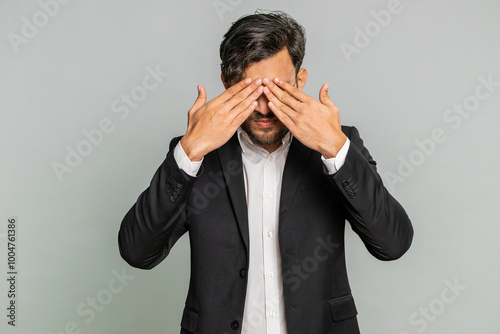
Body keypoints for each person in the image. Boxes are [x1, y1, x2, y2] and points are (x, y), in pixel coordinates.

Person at [118, 10, 413, 334]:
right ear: (227, 85)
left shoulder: (339, 145)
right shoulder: (196, 155)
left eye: (277, 90)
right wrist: (189, 152)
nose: (262, 108)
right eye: (249, 90)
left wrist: (333, 147)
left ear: (300, 82)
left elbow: (393, 243)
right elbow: (138, 252)